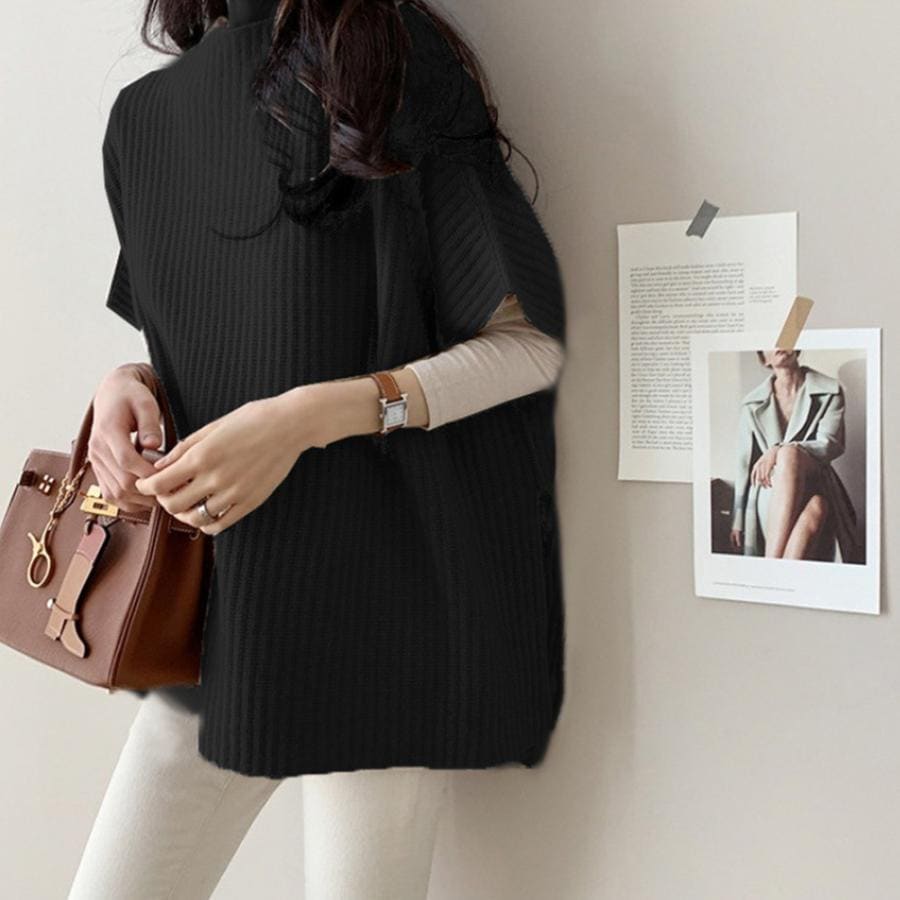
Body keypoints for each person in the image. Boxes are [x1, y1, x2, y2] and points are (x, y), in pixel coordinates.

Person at [68, 0, 567, 896]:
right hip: (212, 622)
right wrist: (125, 384)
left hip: (382, 616)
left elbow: (526, 347)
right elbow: (211, 350)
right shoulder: (142, 120)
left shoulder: (383, 58)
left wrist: (304, 419)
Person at [729, 349, 860, 563]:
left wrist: (780, 449)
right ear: (764, 358)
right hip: (769, 489)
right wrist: (738, 520)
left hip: (814, 479)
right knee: (817, 505)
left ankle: (771, 565)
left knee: (790, 456)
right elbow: (743, 463)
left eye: (786, 337)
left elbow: (831, 444)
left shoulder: (830, 390)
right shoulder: (751, 403)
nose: (781, 344)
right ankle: (777, 571)